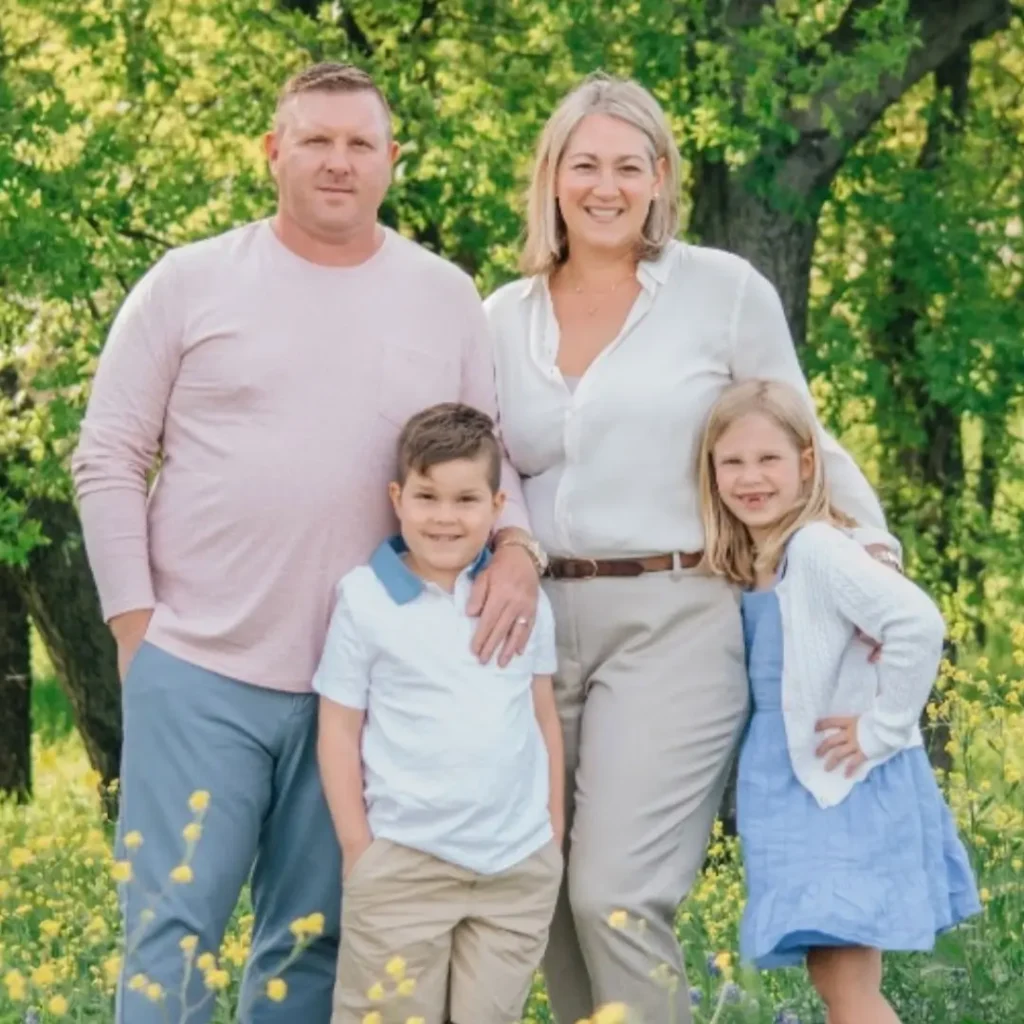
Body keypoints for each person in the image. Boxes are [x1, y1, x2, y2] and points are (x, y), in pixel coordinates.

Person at [71, 63, 542, 1024]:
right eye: (316, 140)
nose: (339, 162)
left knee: (314, 940)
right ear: (273, 151)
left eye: (360, 143)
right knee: (172, 930)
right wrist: (135, 631)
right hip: (198, 665)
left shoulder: (443, 294)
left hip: (369, 684)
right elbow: (107, 456)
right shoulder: (189, 282)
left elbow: (491, 455)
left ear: (391, 161)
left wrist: (522, 548)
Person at [484, 72, 898, 1024]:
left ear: (661, 177)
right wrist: (508, 539)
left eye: (629, 166)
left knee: (617, 895)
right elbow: (486, 460)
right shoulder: (501, 317)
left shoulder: (720, 291)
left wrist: (871, 548)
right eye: (584, 163)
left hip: (678, 617)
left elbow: (799, 434)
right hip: (537, 633)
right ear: (552, 177)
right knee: (544, 896)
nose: (606, 185)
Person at [697, 378, 980, 1024]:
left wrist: (880, 729)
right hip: (796, 786)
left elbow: (917, 623)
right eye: (731, 462)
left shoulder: (818, 548)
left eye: (768, 460)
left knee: (848, 986)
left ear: (806, 464)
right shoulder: (764, 556)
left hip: (839, 787)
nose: (750, 478)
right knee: (835, 982)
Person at [313, 403, 564, 1024]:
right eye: (427, 496)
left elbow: (543, 719)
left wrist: (551, 837)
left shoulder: (520, 600)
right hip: (405, 865)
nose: (445, 517)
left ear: (497, 508)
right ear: (397, 497)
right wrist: (358, 850)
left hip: (515, 867)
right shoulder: (365, 599)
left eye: (465, 500)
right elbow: (339, 730)